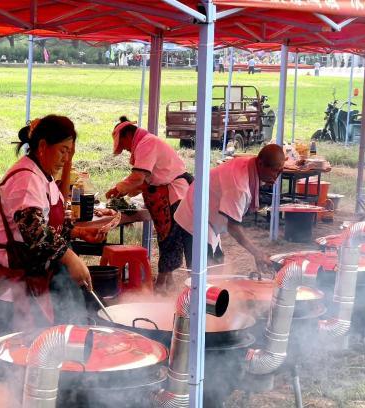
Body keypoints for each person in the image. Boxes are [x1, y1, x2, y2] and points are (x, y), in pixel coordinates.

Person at [0, 115, 106, 332]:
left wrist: (77, 232)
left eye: (69, 152)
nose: (66, 159)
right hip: (12, 285)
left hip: (34, 276)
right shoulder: (26, 178)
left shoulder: (42, 176)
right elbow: (34, 231)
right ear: (43, 146)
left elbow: (50, 221)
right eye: (63, 150)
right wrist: (70, 257)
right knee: (19, 351)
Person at [106, 116, 193, 293]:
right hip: (171, 194)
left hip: (176, 194)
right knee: (167, 240)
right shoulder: (146, 143)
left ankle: (162, 286)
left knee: (170, 240)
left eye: (123, 145)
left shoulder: (147, 143)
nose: (125, 149)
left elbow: (139, 177)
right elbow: (144, 181)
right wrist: (126, 190)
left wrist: (118, 188)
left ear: (127, 135)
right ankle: (168, 285)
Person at [174, 144, 285, 274]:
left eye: (280, 172)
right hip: (194, 217)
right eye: (275, 171)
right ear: (260, 163)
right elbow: (233, 227)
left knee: (217, 264)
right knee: (202, 274)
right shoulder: (239, 185)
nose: (277, 177)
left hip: (209, 216)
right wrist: (256, 252)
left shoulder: (250, 165)